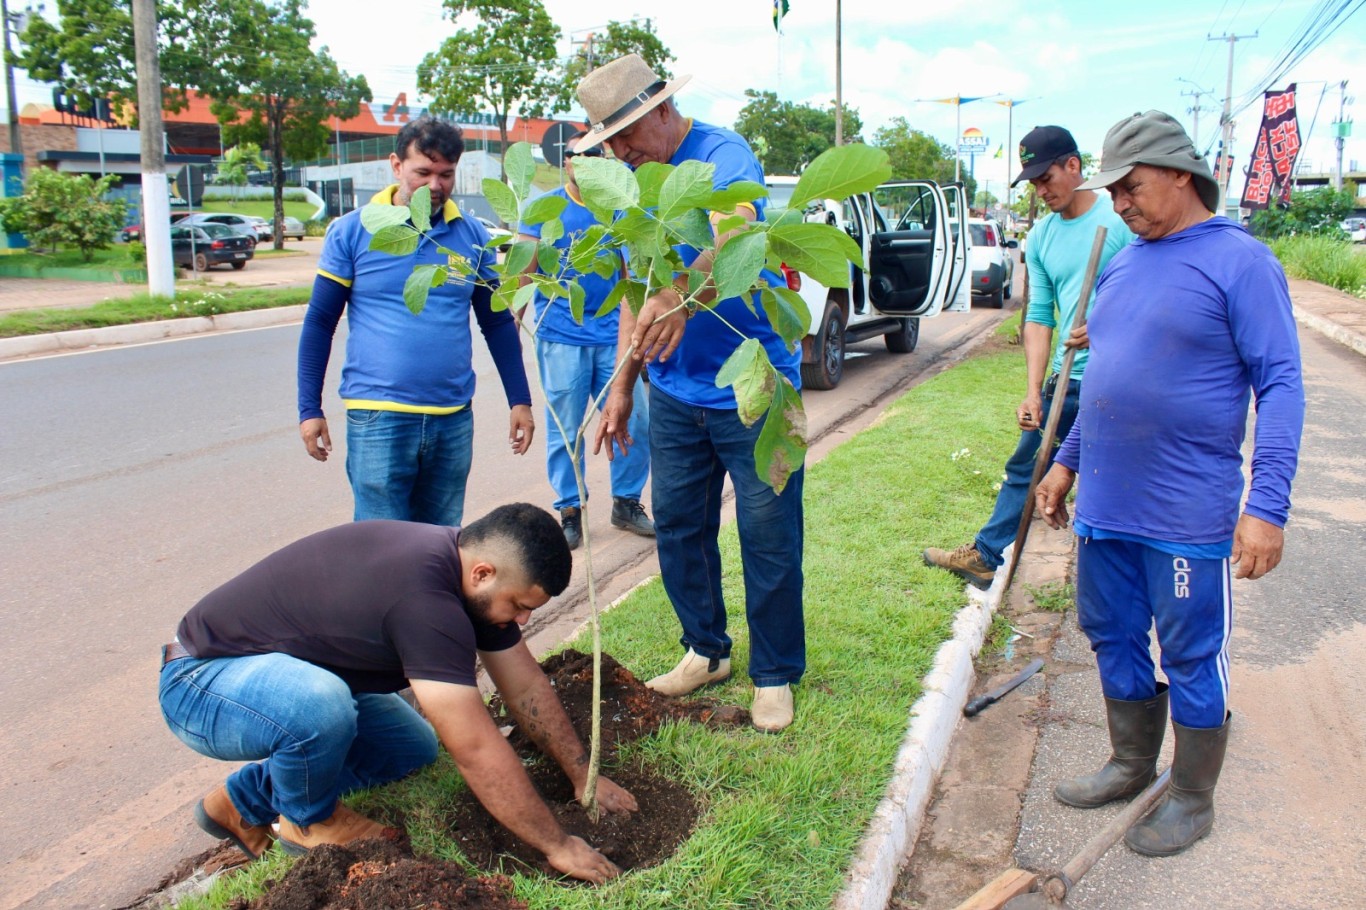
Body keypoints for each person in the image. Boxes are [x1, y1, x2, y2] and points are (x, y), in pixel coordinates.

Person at [1035, 110, 1303, 857]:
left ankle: (1190, 795)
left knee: (1189, 651)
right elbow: (1108, 383)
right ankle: (1129, 762)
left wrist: (1267, 505)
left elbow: (1280, 384)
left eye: (1132, 185)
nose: (1119, 202)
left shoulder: (1241, 262)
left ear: (1179, 174)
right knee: (1111, 635)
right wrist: (1066, 462)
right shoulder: (1124, 262)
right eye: (1111, 189)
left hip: (1185, 512)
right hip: (1107, 506)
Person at [157, 503, 637, 883]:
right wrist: (556, 844)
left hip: (287, 675)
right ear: (484, 573)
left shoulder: (467, 579)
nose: (522, 620)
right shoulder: (426, 602)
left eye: (531, 609)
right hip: (203, 681)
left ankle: (241, 803)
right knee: (321, 707)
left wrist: (580, 774)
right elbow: (472, 746)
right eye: (518, 605)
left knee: (412, 746)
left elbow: (526, 683)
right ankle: (309, 822)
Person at [576, 54, 805, 733]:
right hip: (675, 395)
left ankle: (774, 674)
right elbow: (634, 296)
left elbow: (735, 243)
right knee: (678, 528)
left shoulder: (723, 155)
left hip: (759, 387)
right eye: (608, 145)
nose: (618, 154)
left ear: (662, 113)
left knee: (769, 535)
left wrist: (684, 294)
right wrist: (623, 385)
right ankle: (705, 652)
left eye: (623, 138)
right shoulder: (632, 184)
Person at [296, 115, 534, 527]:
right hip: (378, 418)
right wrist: (308, 408)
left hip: (452, 418)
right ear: (396, 165)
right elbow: (320, 322)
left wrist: (520, 399)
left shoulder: (471, 235)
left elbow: (495, 322)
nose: (435, 186)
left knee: (441, 547)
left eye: (446, 174)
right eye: (423, 172)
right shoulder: (354, 232)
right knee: (381, 548)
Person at [923, 125, 1134, 589]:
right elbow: (1039, 316)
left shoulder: (1119, 224)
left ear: (1074, 166)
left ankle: (1113, 578)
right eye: (1034, 182)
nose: (1042, 189)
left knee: (1111, 478)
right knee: (1029, 464)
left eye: (1047, 177)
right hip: (1071, 378)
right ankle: (985, 555)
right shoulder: (1040, 237)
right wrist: (1034, 392)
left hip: (1121, 378)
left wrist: (1103, 330)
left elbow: (1147, 300)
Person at [518, 131, 654, 549]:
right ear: (566, 162)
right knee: (566, 428)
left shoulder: (618, 208)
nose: (586, 161)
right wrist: (511, 319)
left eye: (596, 153)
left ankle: (626, 502)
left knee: (635, 421)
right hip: (561, 337)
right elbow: (523, 269)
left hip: (615, 338)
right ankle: (570, 509)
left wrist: (640, 343)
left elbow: (633, 277)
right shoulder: (544, 208)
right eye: (578, 155)